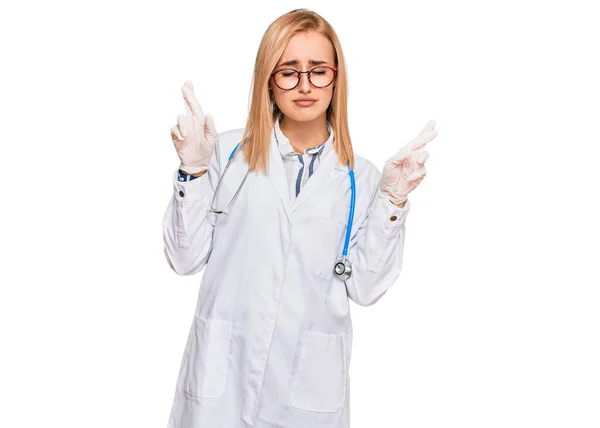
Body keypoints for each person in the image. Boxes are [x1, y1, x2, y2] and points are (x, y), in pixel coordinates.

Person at [163, 8, 438, 428]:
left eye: (318, 71)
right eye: (289, 71)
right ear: (268, 79)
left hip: (307, 394)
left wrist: (393, 202)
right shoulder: (223, 153)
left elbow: (365, 288)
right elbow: (184, 259)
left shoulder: (363, 181)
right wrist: (192, 172)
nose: (305, 85)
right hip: (219, 389)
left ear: (336, 77)